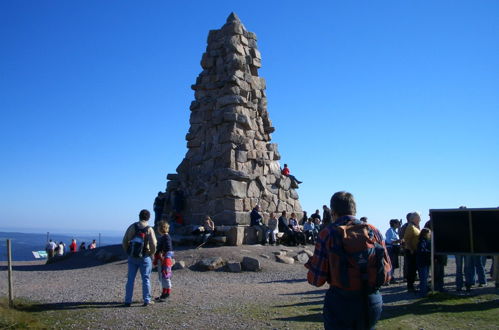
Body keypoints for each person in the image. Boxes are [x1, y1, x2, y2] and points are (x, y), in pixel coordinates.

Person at [305, 191, 391, 330]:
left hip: (341, 301)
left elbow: (316, 280)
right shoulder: (373, 231)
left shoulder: (328, 233)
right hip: (371, 300)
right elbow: (387, 273)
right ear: (354, 209)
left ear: (333, 211)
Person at [123, 209, 157, 307]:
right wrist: (151, 253)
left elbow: (125, 240)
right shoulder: (149, 229)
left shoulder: (133, 227)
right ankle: (146, 299)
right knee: (146, 278)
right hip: (145, 256)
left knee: (130, 279)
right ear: (149, 218)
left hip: (132, 256)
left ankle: (128, 300)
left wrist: (128, 252)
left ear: (139, 216)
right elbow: (154, 243)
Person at [153, 221, 173, 302]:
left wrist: (163, 254)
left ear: (160, 229)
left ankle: (167, 293)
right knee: (163, 276)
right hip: (165, 258)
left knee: (165, 276)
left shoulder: (165, 237)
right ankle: (164, 293)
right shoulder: (164, 237)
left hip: (165, 259)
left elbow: (168, 248)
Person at [403, 212, 421, 293]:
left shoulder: (415, 226)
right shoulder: (410, 227)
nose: (420, 219)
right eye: (419, 217)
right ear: (414, 218)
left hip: (415, 251)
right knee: (411, 269)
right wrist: (411, 250)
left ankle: (412, 285)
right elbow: (407, 239)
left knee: (414, 269)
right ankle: (410, 286)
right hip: (411, 251)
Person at [416, 228, 431, 296]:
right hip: (422, 262)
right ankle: (423, 292)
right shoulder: (422, 241)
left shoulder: (424, 241)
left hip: (424, 261)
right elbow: (422, 250)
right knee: (423, 277)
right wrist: (429, 252)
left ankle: (424, 290)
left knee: (425, 277)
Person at [385, 219, 401, 284]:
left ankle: (391, 277)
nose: (399, 225)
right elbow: (389, 241)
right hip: (391, 249)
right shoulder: (390, 231)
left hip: (394, 249)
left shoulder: (394, 231)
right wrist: (398, 241)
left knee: (393, 264)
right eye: (398, 223)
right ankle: (389, 278)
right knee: (391, 264)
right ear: (394, 224)